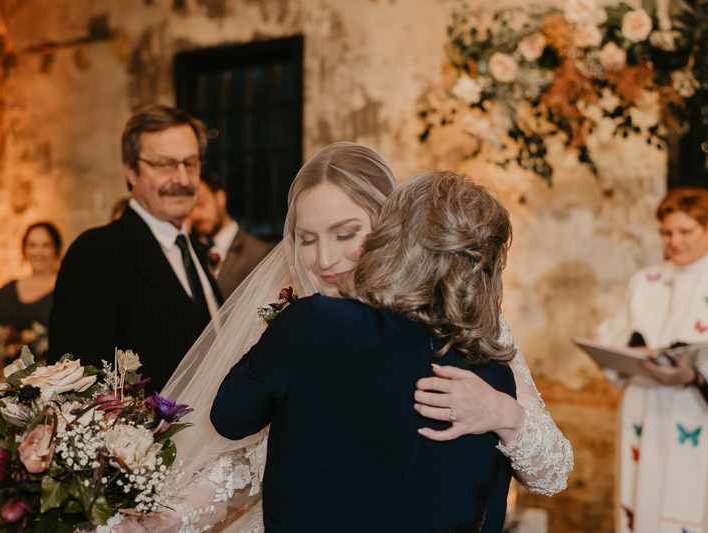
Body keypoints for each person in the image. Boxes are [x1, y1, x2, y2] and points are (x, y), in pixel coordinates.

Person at [112, 143, 571, 533]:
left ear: (390, 228)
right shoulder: (294, 316)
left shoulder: (461, 323)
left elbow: (554, 471)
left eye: (345, 233)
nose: (323, 260)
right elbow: (251, 458)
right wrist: (176, 516)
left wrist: (503, 413)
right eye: (305, 239)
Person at [210, 171, 517, 532]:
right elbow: (490, 517)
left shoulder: (315, 322)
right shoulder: (496, 378)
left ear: (390, 239)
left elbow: (229, 418)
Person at [597, 187, 708, 533]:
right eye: (667, 232)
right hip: (652, 415)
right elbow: (616, 335)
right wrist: (630, 352)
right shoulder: (645, 281)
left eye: (685, 232)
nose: (674, 241)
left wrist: (696, 377)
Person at [49, 104, 223, 393]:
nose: (181, 179)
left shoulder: (194, 249)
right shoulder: (98, 252)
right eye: (164, 164)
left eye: (190, 163)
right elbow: (74, 382)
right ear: (130, 170)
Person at [0, 222, 61, 373]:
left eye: (46, 245)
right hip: (3, 386)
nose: (38, 252)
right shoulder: (4, 293)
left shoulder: (66, 290)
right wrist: (5, 378)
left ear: (56, 249)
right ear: (24, 249)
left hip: (50, 385)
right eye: (32, 245)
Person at [189, 171, 274, 298]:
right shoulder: (191, 250)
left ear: (220, 198)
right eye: (190, 208)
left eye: (201, 204)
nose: (196, 215)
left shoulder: (261, 253)